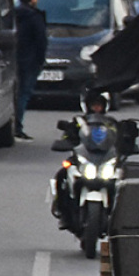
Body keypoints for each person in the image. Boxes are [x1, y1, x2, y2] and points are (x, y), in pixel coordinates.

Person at [52, 90, 114, 229]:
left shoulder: (110, 123)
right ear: (87, 106)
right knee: (61, 175)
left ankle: (122, 216)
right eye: (94, 105)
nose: (96, 108)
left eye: (99, 105)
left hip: (104, 159)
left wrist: (128, 139)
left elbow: (119, 138)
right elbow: (67, 136)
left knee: (123, 179)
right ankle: (63, 213)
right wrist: (66, 140)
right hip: (83, 158)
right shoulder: (78, 122)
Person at [14, 0, 48, 140]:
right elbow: (41, 41)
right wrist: (40, 60)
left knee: (14, 93)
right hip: (30, 61)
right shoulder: (34, 17)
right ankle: (17, 126)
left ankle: (13, 124)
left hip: (14, 59)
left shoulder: (14, 15)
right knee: (24, 93)